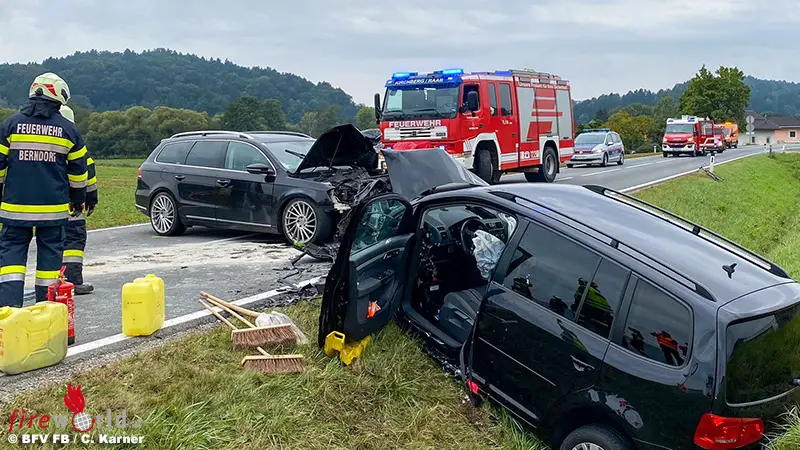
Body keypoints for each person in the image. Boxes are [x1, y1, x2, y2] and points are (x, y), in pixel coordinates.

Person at [0, 73, 88, 306]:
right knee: (49, 262)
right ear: (59, 96)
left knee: (11, 260)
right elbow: (78, 173)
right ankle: (46, 308)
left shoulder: (11, 125)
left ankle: (8, 310)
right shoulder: (68, 130)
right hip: (52, 211)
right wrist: (77, 200)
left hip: (15, 209)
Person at [59, 105, 97, 295]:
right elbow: (88, 173)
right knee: (74, 242)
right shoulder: (75, 143)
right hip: (72, 206)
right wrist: (91, 199)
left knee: (52, 243)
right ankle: (72, 281)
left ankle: (51, 283)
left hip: (47, 207)